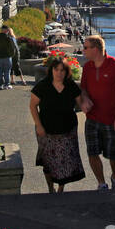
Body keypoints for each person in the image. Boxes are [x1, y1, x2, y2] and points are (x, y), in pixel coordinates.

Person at [79, 35, 115, 190]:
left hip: (112, 119)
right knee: (92, 153)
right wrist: (84, 99)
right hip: (92, 119)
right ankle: (101, 183)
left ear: (96, 49)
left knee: (114, 155)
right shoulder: (87, 67)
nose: (83, 50)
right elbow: (83, 88)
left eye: (86, 47)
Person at [30, 55, 85, 193]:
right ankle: (50, 187)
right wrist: (39, 125)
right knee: (48, 161)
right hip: (46, 129)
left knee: (64, 160)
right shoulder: (43, 85)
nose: (59, 73)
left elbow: (82, 104)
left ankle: (61, 187)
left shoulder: (71, 85)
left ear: (66, 72)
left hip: (68, 129)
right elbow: (32, 106)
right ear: (51, 70)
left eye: (62, 70)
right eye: (56, 70)